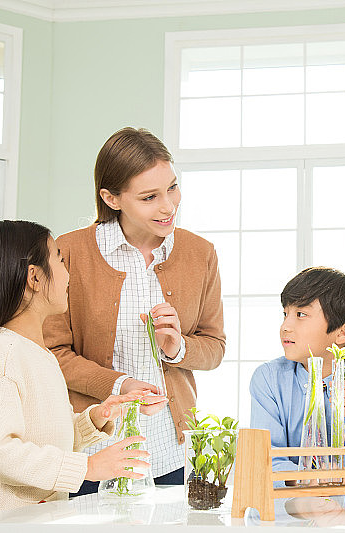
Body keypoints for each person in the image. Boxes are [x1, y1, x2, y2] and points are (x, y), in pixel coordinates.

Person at [43, 127, 226, 495]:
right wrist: (119, 385)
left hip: (170, 452)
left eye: (172, 187)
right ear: (112, 198)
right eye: (149, 197)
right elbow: (54, 354)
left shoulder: (200, 253)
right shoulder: (69, 251)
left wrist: (177, 348)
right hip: (95, 449)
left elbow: (214, 346)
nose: (168, 206)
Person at [0, 221, 153, 517]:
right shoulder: (4, 353)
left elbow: (44, 434)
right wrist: (89, 467)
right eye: (59, 259)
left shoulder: (36, 353)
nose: (67, 274)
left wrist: (94, 418)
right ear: (34, 277)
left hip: (34, 519)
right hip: (0, 522)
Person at [250, 267, 345, 485]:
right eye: (285, 314)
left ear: (343, 331)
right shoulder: (269, 379)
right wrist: (308, 481)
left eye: (301, 315)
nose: (285, 326)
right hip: (287, 509)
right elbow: (266, 456)